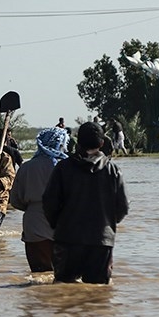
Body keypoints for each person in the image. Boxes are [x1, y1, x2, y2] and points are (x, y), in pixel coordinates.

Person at [41, 121, 129, 284]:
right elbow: (123, 207)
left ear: (78, 142)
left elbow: (49, 203)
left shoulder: (63, 168)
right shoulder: (113, 171)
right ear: (102, 143)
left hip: (67, 239)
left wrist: (57, 225)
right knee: (98, 293)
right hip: (101, 241)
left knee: (63, 289)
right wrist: (107, 224)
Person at [9, 127, 70, 272]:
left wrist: (32, 208)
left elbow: (15, 199)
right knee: (63, 277)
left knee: (38, 275)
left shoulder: (26, 167)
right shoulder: (67, 167)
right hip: (63, 223)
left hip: (34, 223)